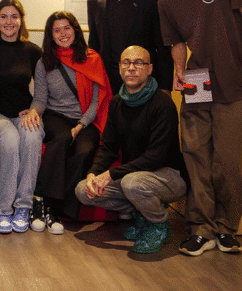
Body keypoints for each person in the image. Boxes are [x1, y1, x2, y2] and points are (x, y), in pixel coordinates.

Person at [152, 0, 242, 256]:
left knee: (226, 162)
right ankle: (201, 229)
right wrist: (178, 71)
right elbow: (177, 42)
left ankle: (226, 229)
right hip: (197, 79)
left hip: (235, 77)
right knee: (196, 156)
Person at [75, 46, 187, 254]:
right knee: (84, 190)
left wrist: (110, 175)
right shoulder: (118, 103)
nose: (132, 68)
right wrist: (93, 174)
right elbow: (108, 148)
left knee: (132, 183)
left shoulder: (163, 104)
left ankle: (158, 225)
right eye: (126, 62)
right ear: (119, 68)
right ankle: (142, 214)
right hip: (135, 178)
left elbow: (155, 158)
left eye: (138, 63)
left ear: (149, 69)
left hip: (169, 177)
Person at [22, 11, 111, 234]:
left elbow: (96, 101)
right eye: (57, 30)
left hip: (86, 119)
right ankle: (39, 200)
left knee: (85, 150)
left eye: (67, 28)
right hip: (56, 116)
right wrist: (34, 111)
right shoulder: (45, 62)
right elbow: (41, 98)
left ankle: (57, 209)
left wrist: (80, 126)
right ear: (51, 35)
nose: (63, 33)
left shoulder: (92, 58)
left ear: (75, 30)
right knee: (61, 139)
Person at [0, 0, 42, 234]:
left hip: (24, 112)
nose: (9, 21)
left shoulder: (33, 51)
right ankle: (3, 210)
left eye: (14, 16)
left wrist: (35, 108)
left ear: (22, 19)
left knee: (33, 139)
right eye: (3, 16)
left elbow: (43, 88)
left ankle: (23, 207)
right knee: (10, 141)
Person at [87, 0, 173, 94]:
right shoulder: (94, 2)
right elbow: (94, 47)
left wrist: (165, 87)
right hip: (108, 85)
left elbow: (163, 45)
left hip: (146, 84)